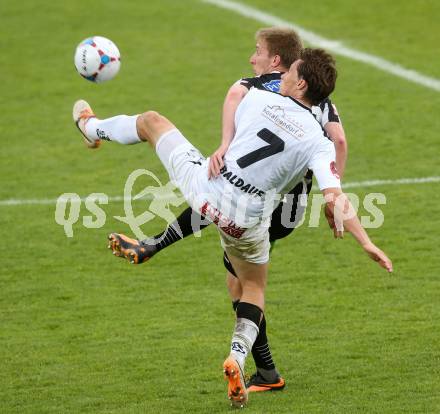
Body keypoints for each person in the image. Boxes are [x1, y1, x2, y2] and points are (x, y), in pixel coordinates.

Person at [72, 47, 392, 407]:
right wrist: (365, 241)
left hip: (206, 191)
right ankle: (237, 358)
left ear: (300, 83)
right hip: (246, 222)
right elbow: (335, 197)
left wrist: (226, 144)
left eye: (290, 73)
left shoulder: (256, 97)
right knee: (252, 288)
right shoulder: (319, 143)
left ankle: (89, 128)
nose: (283, 74)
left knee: (151, 122)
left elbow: (234, 96)